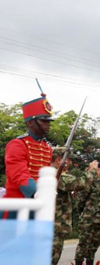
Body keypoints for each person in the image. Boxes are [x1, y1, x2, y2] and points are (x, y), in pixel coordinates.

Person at [1, 91, 54, 219]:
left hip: (37, 207)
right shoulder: (17, 144)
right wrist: (35, 191)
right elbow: (18, 174)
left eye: (49, 121)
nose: (48, 124)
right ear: (30, 123)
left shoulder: (47, 148)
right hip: (16, 206)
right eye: (43, 121)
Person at [51, 148, 97, 265]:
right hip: (55, 222)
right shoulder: (56, 174)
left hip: (54, 221)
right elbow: (80, 183)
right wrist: (92, 170)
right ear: (60, 159)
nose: (69, 162)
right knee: (53, 251)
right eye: (68, 159)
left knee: (53, 250)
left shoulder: (51, 173)